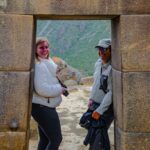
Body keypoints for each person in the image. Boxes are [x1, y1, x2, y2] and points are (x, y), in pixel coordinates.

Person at [32, 37, 68, 150]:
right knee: (56, 139)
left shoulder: (46, 61)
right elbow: (41, 89)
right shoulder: (39, 65)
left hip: (42, 106)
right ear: (35, 49)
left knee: (45, 139)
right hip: (43, 107)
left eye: (46, 47)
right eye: (41, 47)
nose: (45, 50)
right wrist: (59, 89)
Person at [87, 38, 113, 149]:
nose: (101, 53)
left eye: (104, 49)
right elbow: (96, 83)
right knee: (94, 135)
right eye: (99, 49)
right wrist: (91, 98)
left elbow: (111, 92)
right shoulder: (98, 63)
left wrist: (99, 111)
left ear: (112, 50)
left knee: (97, 138)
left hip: (104, 108)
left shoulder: (112, 68)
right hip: (94, 104)